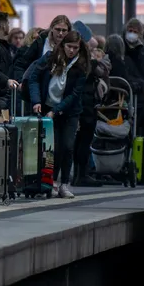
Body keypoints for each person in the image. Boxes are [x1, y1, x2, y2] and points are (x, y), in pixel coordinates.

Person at [28, 30, 88, 199]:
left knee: (68, 146)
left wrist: (56, 110)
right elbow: (33, 77)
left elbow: (74, 95)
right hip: (48, 106)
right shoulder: (49, 58)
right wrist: (36, 101)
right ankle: (51, 181)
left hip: (69, 111)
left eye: (75, 48)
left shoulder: (81, 67)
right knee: (53, 147)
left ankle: (64, 183)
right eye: (69, 46)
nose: (72, 51)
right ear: (63, 45)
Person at [73, 44, 112, 187]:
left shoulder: (76, 62)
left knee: (78, 142)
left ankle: (78, 174)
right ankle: (82, 175)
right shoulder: (90, 64)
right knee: (84, 141)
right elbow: (103, 73)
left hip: (81, 105)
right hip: (87, 106)